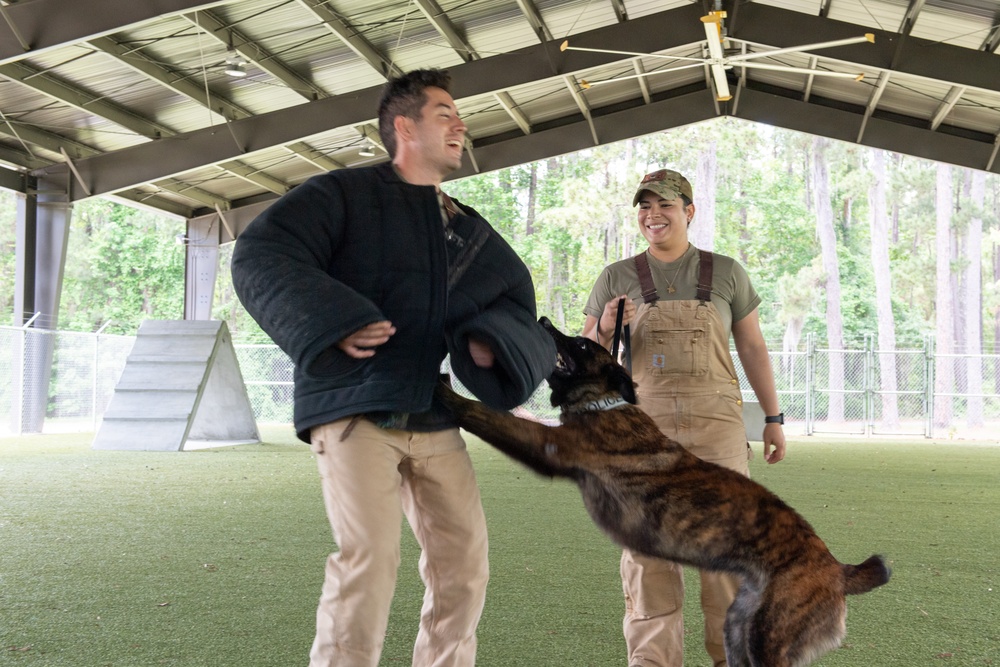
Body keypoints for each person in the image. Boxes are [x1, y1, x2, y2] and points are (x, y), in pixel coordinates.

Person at [231, 68, 554, 667]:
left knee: (465, 568)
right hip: (353, 408)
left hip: (432, 414)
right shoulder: (339, 195)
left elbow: (512, 296)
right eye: (444, 114)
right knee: (371, 562)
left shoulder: (462, 225)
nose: (461, 124)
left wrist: (489, 342)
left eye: (459, 115)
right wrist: (335, 318)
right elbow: (260, 254)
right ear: (404, 127)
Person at [581, 168, 787, 667]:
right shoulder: (617, 276)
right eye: (645, 207)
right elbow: (586, 355)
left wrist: (774, 418)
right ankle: (653, 661)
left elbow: (753, 347)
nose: (654, 215)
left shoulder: (727, 272)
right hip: (643, 431)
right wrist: (606, 324)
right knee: (647, 551)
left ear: (688, 211)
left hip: (717, 428)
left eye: (665, 205)